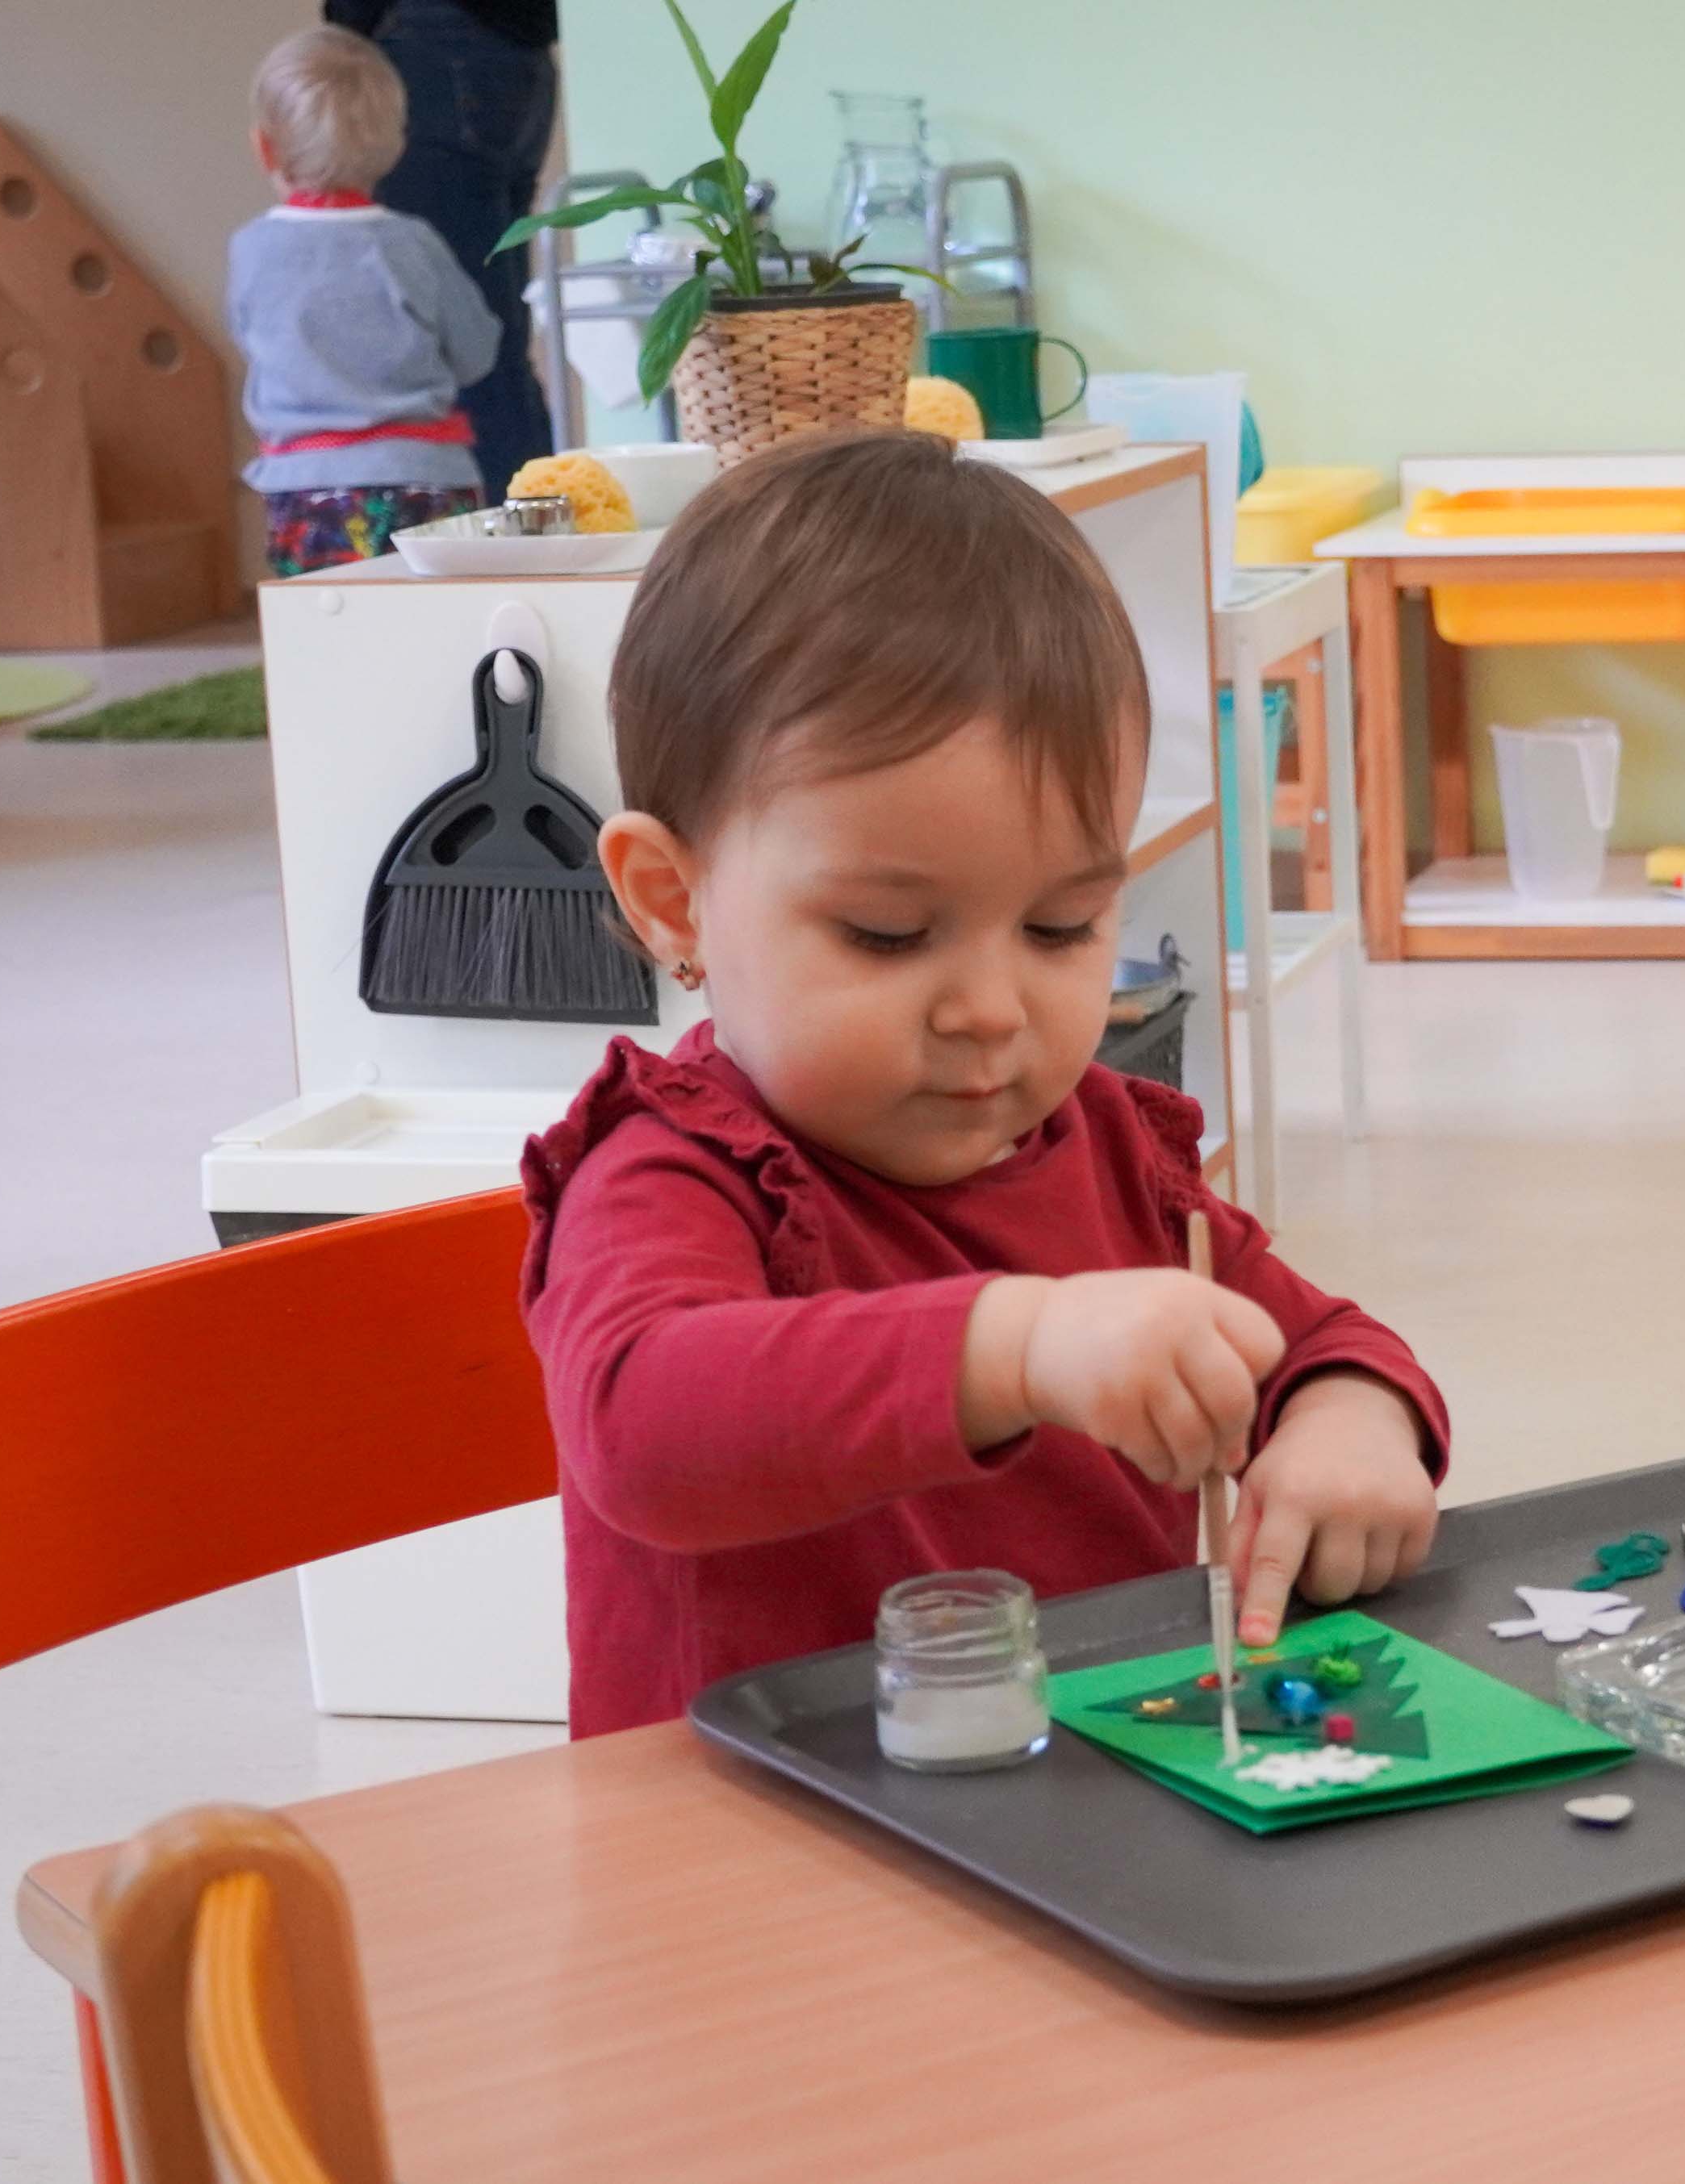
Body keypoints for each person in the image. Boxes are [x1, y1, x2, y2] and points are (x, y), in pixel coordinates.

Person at [522, 432, 1449, 1737]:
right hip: (760, 1862)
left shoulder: (1110, 1147)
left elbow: (1316, 1340)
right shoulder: (671, 1171)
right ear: (674, 900)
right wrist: (1018, 1344)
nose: (989, 1010)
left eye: (1063, 927)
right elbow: (643, 1424)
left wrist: (1349, 1421)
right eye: (888, 937)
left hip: (1088, 1812)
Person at [229, 26, 500, 576]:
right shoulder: (411, 245)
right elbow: (476, 353)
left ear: (263, 147)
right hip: (428, 482)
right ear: (396, 145)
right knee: (434, 633)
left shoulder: (253, 249)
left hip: (304, 490)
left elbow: (251, 339)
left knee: (323, 634)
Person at [326, 0, 558, 494]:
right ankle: (538, 536)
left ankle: (503, 556)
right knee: (500, 348)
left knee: (466, 360)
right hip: (518, 51)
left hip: (436, 49)